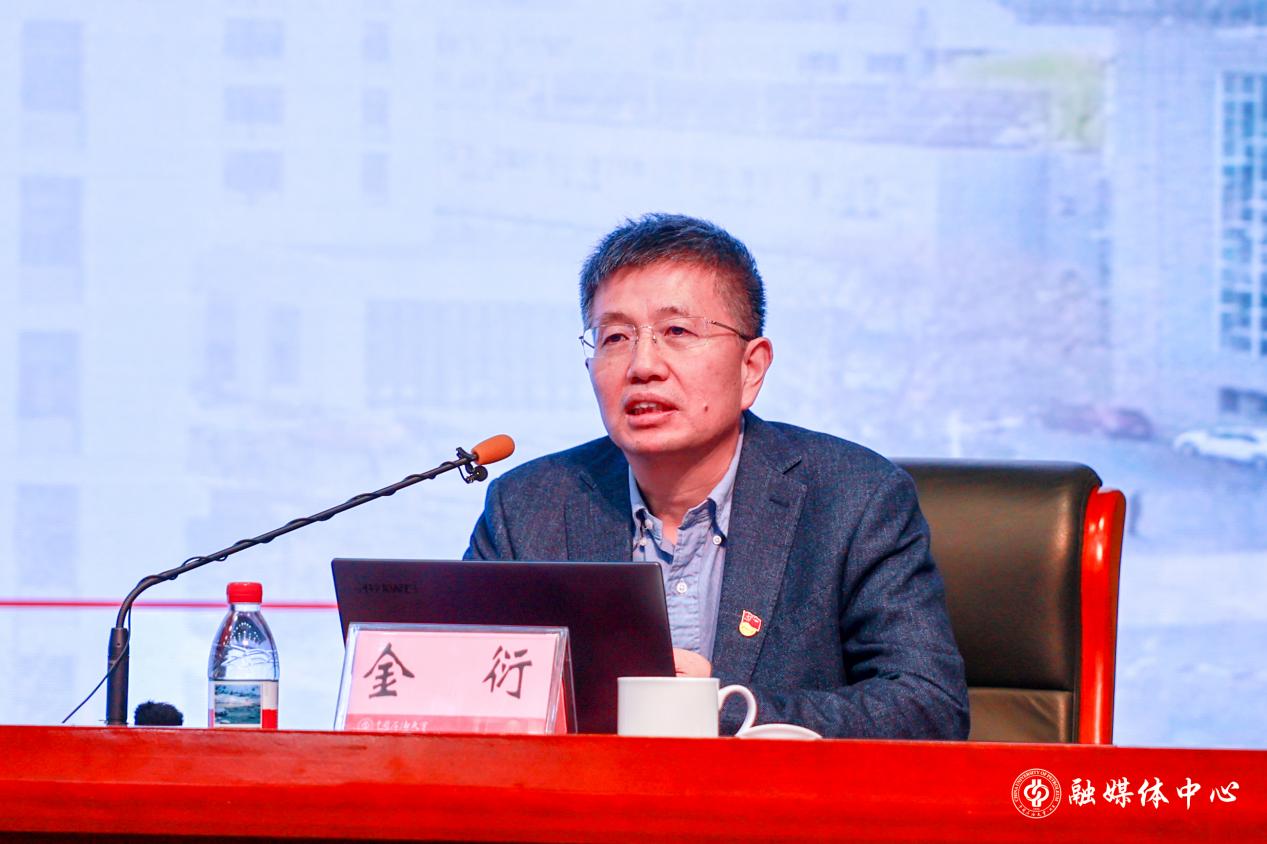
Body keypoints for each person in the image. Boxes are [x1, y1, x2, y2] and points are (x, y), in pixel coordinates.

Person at [465, 213, 969, 739]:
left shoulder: (854, 500)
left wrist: (719, 711)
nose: (642, 365)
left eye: (677, 331)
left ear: (752, 368)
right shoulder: (528, 507)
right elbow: (464, 694)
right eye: (614, 337)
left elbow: (928, 708)